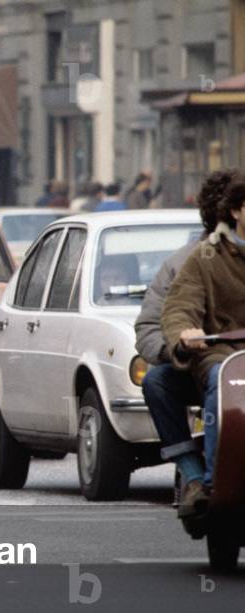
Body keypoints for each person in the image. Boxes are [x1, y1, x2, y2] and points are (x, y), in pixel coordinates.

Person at [137, 169, 239, 518]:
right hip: (216, 362)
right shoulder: (193, 261)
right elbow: (167, 316)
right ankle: (202, 479)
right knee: (158, 381)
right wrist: (181, 342)